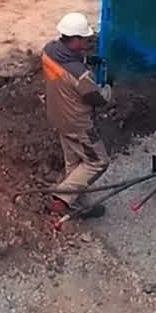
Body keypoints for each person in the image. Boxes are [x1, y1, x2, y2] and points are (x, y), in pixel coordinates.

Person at [42, 12, 112, 219]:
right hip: (78, 124)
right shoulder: (80, 75)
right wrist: (109, 88)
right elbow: (98, 99)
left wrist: (85, 59)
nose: (87, 43)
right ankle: (61, 199)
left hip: (57, 115)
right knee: (98, 162)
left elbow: (66, 61)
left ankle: (76, 203)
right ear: (74, 40)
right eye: (84, 39)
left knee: (74, 162)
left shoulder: (48, 52)